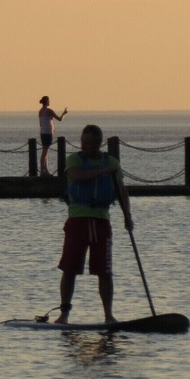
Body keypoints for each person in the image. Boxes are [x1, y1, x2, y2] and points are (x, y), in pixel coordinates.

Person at [54, 124, 133, 325]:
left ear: (98, 143)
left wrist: (127, 216)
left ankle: (108, 315)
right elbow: (76, 176)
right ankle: (64, 314)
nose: (85, 146)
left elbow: (121, 190)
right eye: (83, 142)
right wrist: (102, 171)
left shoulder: (112, 162)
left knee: (104, 271)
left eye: (89, 143)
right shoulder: (75, 160)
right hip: (77, 220)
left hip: (101, 221)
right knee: (70, 269)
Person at [38, 96, 67, 177]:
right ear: (46, 101)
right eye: (48, 100)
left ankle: (45, 170)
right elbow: (59, 119)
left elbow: (41, 123)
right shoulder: (49, 111)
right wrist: (64, 113)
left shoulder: (40, 111)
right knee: (44, 152)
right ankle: (42, 171)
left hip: (43, 132)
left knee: (45, 152)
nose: (49, 101)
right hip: (47, 133)